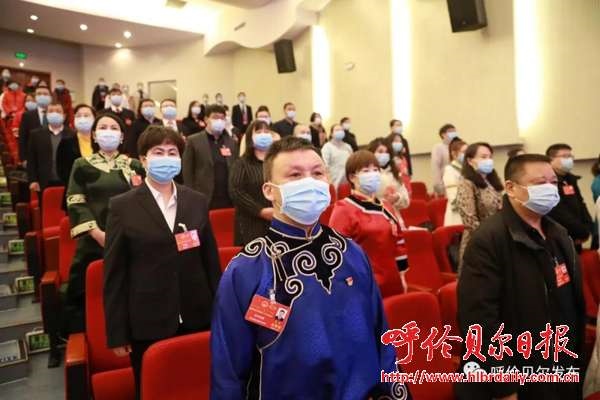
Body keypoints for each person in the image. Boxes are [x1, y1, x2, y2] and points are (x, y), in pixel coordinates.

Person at [210, 137, 410, 400]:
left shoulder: (352, 253)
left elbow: (381, 337)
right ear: (269, 191)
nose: (309, 182)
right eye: (295, 175)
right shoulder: (246, 270)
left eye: (317, 173)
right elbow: (228, 373)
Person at [104, 125, 221, 400]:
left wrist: (220, 314)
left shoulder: (196, 201)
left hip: (197, 315)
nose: (166, 158)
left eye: (172, 152)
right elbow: (115, 274)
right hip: (148, 319)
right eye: (158, 152)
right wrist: (117, 332)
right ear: (143, 160)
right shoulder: (122, 206)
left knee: (198, 386)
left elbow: (211, 264)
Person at [456, 154, 585, 400]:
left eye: (553, 183)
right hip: (520, 373)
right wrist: (505, 386)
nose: (550, 189)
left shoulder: (558, 233)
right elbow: (479, 321)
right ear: (511, 188)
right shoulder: (488, 240)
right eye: (539, 183)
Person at [60, 113, 145, 367]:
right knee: (85, 292)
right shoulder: (82, 164)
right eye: (103, 127)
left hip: (130, 242)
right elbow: (75, 201)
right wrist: (97, 233)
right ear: (95, 136)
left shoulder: (134, 166)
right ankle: (81, 347)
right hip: (93, 242)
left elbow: (146, 200)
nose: (108, 131)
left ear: (121, 136)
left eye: (114, 128)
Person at [330, 150, 408, 297]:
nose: (373, 174)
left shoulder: (386, 206)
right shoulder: (344, 209)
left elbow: (398, 242)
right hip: (364, 285)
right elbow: (336, 253)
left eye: (376, 170)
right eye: (366, 171)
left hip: (393, 280)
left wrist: (402, 276)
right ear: (352, 177)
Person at [456, 142, 503, 271]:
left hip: (498, 239)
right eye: (483, 157)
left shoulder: (492, 182)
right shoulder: (466, 183)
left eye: (490, 157)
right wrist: (490, 238)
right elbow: (469, 220)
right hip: (480, 242)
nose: (488, 160)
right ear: (470, 161)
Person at [182, 104, 239, 209]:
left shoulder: (231, 142)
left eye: (222, 118)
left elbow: (236, 168)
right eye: (215, 117)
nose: (219, 121)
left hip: (228, 197)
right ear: (206, 119)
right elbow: (187, 172)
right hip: (203, 196)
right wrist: (191, 195)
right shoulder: (193, 141)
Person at [228, 120, 275, 245]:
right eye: (259, 132)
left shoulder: (275, 162)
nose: (263, 134)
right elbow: (236, 192)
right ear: (250, 137)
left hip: (275, 221)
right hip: (250, 223)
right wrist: (260, 211)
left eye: (266, 131)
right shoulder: (241, 163)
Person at [546, 143, 593, 253]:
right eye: (565, 156)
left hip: (577, 235)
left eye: (570, 156)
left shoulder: (570, 179)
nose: (569, 159)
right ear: (551, 159)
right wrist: (579, 231)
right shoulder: (549, 181)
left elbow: (581, 203)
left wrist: (587, 227)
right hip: (560, 236)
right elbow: (558, 210)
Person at [27, 101, 76, 197]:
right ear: (46, 115)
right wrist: (33, 180)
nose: (54, 114)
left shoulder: (72, 134)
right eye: (51, 111)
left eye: (58, 111)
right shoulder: (36, 135)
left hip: (68, 182)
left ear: (64, 116)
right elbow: (31, 160)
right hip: (44, 181)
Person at [56, 104, 96, 210]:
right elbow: (62, 171)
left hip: (99, 194)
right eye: (78, 116)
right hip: (75, 194)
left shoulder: (101, 141)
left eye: (86, 115)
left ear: (94, 119)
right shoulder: (66, 142)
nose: (82, 119)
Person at [367, 138, 410, 213]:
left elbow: (406, 199)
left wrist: (397, 197)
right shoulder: (366, 175)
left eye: (387, 152)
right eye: (380, 151)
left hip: (394, 215)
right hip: (375, 215)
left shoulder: (395, 173)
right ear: (372, 153)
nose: (384, 155)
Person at [19, 83, 52, 163]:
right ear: (35, 97)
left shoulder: (57, 114)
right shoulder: (27, 116)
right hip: (33, 157)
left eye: (45, 94)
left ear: (50, 97)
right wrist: (23, 158)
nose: (42, 96)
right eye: (39, 94)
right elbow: (23, 138)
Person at [443, 138, 467, 226]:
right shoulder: (450, 170)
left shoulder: (467, 170)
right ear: (454, 154)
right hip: (457, 215)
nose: (467, 155)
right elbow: (453, 198)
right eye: (464, 152)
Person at [322, 124, 353, 190]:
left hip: (347, 182)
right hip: (334, 182)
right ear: (331, 134)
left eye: (341, 130)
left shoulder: (348, 147)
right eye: (337, 130)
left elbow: (352, 163)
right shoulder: (327, 147)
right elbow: (325, 166)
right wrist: (329, 182)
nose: (340, 132)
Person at [431, 123, 458, 196]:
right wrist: (438, 185)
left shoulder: (457, 147)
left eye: (454, 131)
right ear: (443, 134)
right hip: (445, 183)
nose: (454, 133)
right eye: (451, 131)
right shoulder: (438, 147)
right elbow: (435, 167)